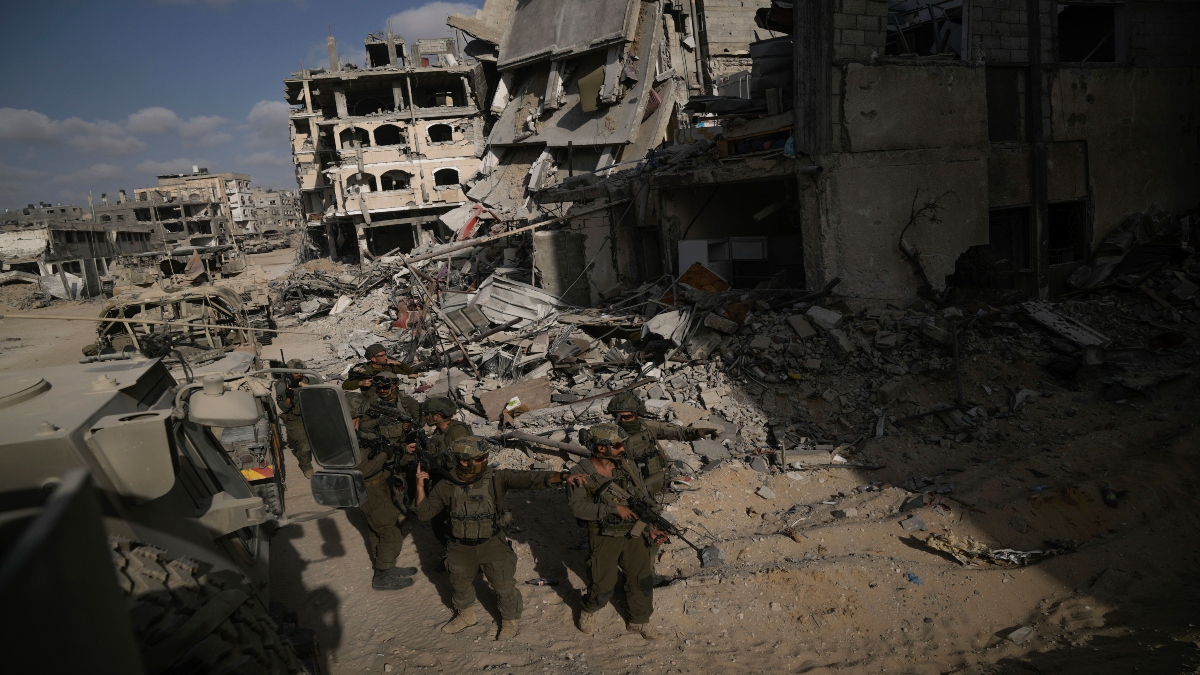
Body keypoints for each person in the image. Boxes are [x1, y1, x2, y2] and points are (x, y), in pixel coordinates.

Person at [413, 436, 587, 640]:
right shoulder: (446, 485)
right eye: (480, 458)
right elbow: (424, 513)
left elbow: (529, 479)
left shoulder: (496, 478)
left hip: (492, 544)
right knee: (460, 583)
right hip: (460, 546)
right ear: (463, 461)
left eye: (486, 456)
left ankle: (510, 621)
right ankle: (465, 615)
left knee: (504, 586)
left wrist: (564, 477)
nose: (485, 460)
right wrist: (419, 486)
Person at [567, 423, 667, 640]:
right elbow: (578, 508)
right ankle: (589, 609)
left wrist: (652, 527)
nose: (623, 448)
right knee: (603, 582)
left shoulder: (626, 467)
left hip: (634, 531)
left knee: (641, 577)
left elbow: (643, 499)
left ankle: (638, 621)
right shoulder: (580, 473)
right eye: (617, 445)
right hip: (604, 534)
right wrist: (613, 508)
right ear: (601, 448)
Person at [346, 388, 419, 591]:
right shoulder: (348, 438)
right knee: (391, 531)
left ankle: (385, 566)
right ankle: (383, 576)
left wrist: (399, 450)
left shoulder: (349, 432)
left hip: (373, 488)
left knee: (376, 529)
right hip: (370, 489)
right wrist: (384, 455)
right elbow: (364, 469)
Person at [606, 392, 718, 494]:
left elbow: (677, 432)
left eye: (627, 417)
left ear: (638, 414)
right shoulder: (609, 436)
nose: (623, 421)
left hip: (657, 476)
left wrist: (697, 432)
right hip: (633, 487)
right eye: (618, 417)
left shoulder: (647, 427)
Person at [420, 395, 472, 547]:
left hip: (455, 484)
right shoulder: (439, 431)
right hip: (442, 481)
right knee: (439, 523)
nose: (425, 417)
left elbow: (465, 461)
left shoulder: (457, 432)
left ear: (437, 415)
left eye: (427, 414)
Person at [274, 359, 320, 478]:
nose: (299, 374)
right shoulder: (282, 385)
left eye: (300, 372)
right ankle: (306, 467)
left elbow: (320, 393)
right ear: (289, 373)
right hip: (295, 418)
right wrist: (288, 397)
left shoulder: (310, 380)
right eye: (295, 372)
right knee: (304, 447)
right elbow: (284, 408)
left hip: (312, 415)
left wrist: (302, 385)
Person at [342, 343, 415, 391]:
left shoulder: (389, 367)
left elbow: (409, 371)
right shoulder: (364, 370)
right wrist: (360, 383)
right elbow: (345, 385)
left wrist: (398, 363)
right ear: (373, 358)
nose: (385, 357)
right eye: (381, 356)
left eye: (385, 354)